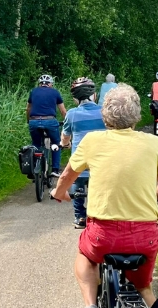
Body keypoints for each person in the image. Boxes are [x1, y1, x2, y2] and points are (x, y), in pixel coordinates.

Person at [50, 84, 158, 308]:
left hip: (103, 235)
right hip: (144, 236)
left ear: (106, 114)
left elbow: (67, 176)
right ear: (137, 114)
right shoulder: (154, 143)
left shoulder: (93, 141)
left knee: (86, 255)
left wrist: (59, 194)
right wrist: (157, 196)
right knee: (143, 287)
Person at [61, 77, 106, 229]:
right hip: (101, 164)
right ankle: (100, 216)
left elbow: (65, 137)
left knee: (77, 181)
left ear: (75, 97)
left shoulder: (71, 114)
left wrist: (64, 144)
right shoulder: (104, 112)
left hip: (80, 165)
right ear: (94, 95)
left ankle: (80, 216)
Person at [26, 75, 67, 176]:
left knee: (35, 144)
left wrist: (28, 121)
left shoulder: (33, 91)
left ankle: (34, 168)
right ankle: (55, 170)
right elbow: (62, 111)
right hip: (50, 121)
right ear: (50, 84)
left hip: (34, 121)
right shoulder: (55, 92)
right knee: (56, 143)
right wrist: (66, 122)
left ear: (40, 84)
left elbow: (28, 109)